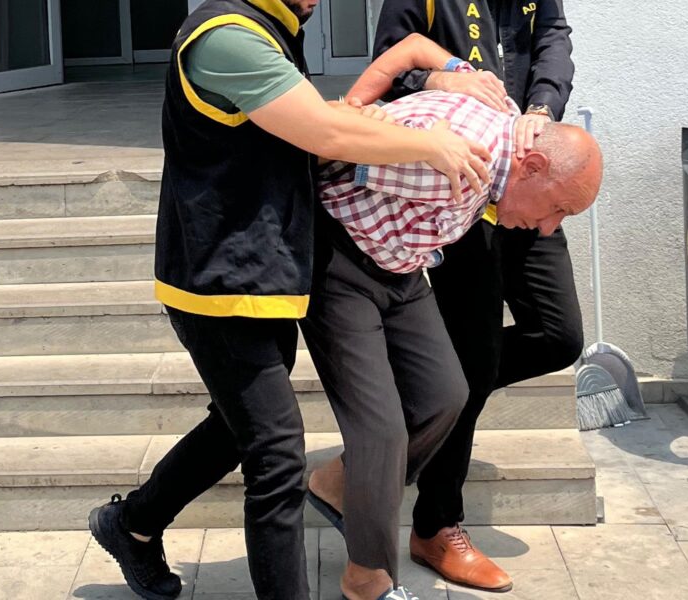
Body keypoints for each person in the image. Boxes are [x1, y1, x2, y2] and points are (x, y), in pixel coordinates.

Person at [84, 1, 491, 599]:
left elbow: (305, 132)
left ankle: (132, 524)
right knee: (275, 456)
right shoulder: (227, 36)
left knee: (237, 428)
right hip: (216, 283)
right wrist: (425, 144)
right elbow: (322, 131)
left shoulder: (276, 29)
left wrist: (379, 113)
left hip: (266, 272)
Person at [302, 48, 602, 600]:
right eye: (557, 208)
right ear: (534, 166)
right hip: (340, 264)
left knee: (446, 395)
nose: (547, 228)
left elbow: (436, 58)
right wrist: (357, 109)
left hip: (401, 267)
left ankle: (340, 481)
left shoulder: (507, 126)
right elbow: (327, 151)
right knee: (382, 432)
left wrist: (452, 71)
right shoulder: (449, 164)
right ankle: (367, 578)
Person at [373, 0, 582, 591]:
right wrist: (436, 78)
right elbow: (389, 69)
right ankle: (436, 524)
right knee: (474, 356)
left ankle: (428, 400)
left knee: (558, 336)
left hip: (531, 180)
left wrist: (542, 107)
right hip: (462, 189)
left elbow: (553, 36)